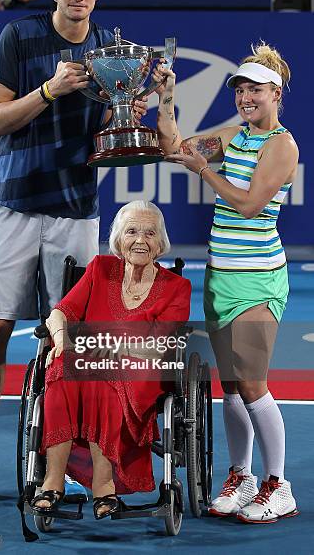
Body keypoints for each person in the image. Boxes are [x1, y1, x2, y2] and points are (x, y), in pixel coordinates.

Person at [0, 0, 146, 508]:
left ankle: (67, 461)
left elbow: (109, 138)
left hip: (74, 211)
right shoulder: (18, 35)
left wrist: (132, 107)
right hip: (11, 206)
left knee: (72, 342)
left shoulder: (110, 50)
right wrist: (50, 90)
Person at [154, 42, 299, 524]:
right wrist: (167, 99)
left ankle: (280, 485)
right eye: (240, 90)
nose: (245, 97)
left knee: (254, 384)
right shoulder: (233, 136)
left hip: (258, 281)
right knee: (232, 387)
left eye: (255, 89)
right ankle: (243, 476)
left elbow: (249, 204)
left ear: (275, 93)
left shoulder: (282, 144)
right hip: (221, 276)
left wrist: (203, 173)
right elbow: (176, 147)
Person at [30, 201, 191, 518]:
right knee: (61, 368)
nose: (140, 240)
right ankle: (52, 481)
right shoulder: (100, 269)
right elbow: (61, 312)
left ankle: (105, 486)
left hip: (141, 372)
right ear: (118, 238)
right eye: (131, 231)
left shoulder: (177, 287)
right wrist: (61, 339)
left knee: (105, 375)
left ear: (161, 242)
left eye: (149, 233)